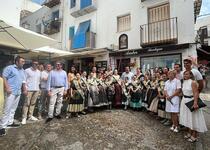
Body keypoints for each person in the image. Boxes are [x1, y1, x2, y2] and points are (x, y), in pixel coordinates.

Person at [0, 56, 26, 136]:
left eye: (24, 61)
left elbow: (23, 81)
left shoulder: (22, 70)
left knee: (13, 109)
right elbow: (4, 77)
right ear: (17, 62)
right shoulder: (9, 68)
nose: (23, 63)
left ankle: (10, 122)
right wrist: (7, 87)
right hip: (10, 92)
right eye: (22, 61)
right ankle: (2, 127)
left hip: (18, 92)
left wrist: (24, 89)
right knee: (7, 109)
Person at [179, 70, 207, 142]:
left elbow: (196, 93)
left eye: (187, 74)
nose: (185, 75)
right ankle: (189, 132)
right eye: (184, 74)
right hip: (184, 101)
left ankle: (194, 135)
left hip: (191, 101)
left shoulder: (193, 82)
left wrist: (195, 103)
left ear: (191, 75)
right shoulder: (184, 82)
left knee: (194, 118)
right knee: (188, 117)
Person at [22, 60, 41, 124]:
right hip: (29, 89)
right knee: (26, 103)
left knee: (33, 103)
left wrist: (39, 89)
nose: (36, 65)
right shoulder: (27, 70)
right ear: (32, 64)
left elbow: (39, 81)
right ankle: (24, 117)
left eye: (37, 64)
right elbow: (24, 80)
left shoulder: (39, 72)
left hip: (36, 89)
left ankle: (30, 116)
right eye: (35, 63)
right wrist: (25, 89)